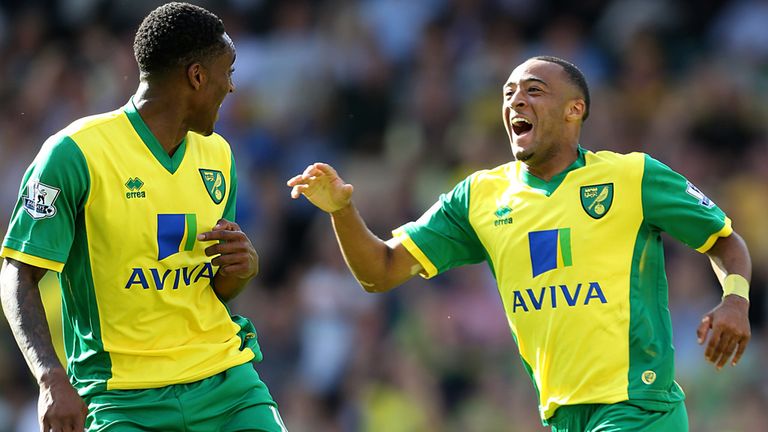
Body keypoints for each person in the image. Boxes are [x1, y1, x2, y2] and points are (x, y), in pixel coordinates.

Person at [287, 55, 752, 431]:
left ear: (575, 110)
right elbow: (380, 271)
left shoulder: (631, 176)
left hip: (638, 405)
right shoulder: (479, 197)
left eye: (533, 90)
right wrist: (341, 211)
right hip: (559, 417)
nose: (515, 101)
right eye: (508, 93)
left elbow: (726, 242)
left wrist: (735, 300)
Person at [0, 3, 287, 431]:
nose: (232, 88)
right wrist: (50, 377)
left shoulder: (218, 155)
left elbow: (213, 286)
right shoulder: (75, 154)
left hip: (225, 386)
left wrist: (241, 270)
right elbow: (16, 273)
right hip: (121, 400)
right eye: (228, 72)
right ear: (196, 76)